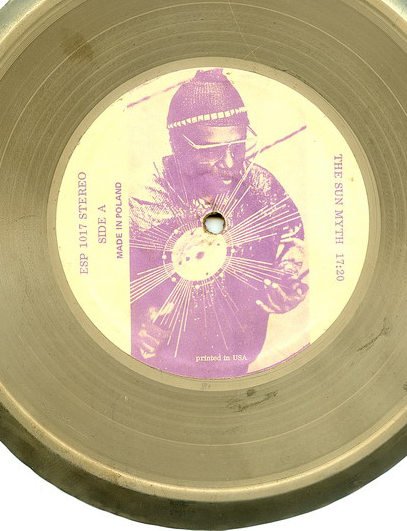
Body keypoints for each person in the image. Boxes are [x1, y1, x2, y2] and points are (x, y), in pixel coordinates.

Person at [129, 69, 308, 378]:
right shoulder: (143, 201)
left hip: (239, 365)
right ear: (177, 144)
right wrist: (138, 325)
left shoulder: (258, 184)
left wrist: (286, 274)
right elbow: (111, 285)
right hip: (163, 371)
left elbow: (290, 235)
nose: (229, 163)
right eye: (211, 150)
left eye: (237, 147)